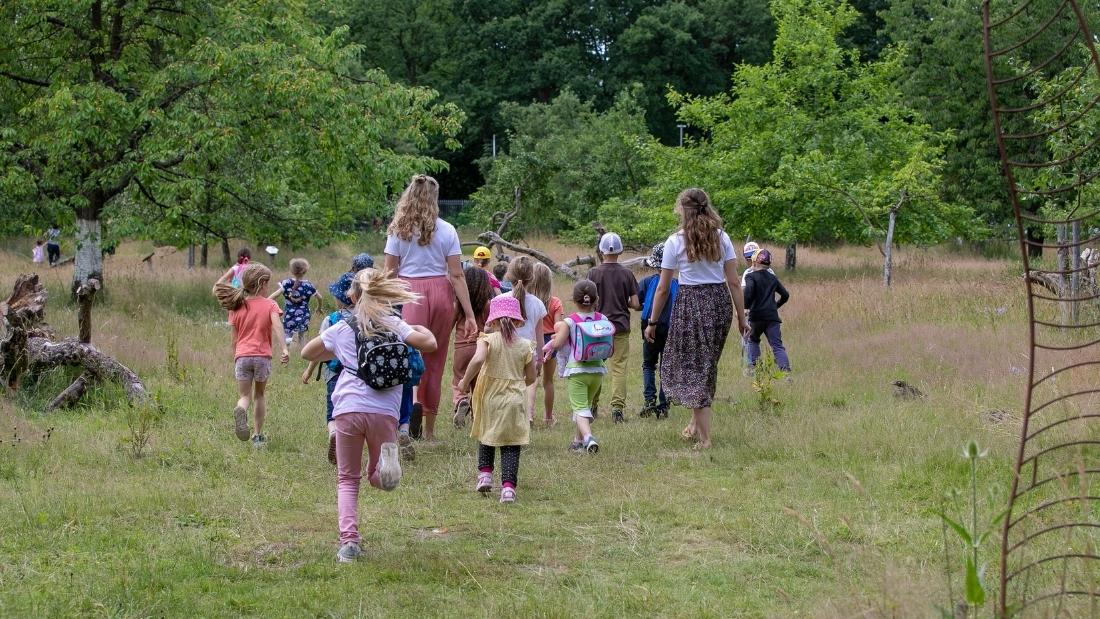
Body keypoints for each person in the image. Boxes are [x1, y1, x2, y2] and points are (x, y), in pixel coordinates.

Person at [301, 268, 438, 563]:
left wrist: (335, 349)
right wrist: (419, 329)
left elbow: (308, 353)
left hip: (348, 409)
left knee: (348, 479)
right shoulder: (395, 323)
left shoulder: (342, 327)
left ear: (353, 294)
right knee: (376, 475)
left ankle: (349, 542)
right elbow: (429, 344)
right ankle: (385, 472)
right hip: (385, 412)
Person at [645, 188, 748, 450]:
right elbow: (734, 282)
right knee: (705, 365)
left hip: (691, 304)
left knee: (695, 367)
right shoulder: (722, 237)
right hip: (719, 304)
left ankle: (705, 439)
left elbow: (663, 288)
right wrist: (740, 316)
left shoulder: (675, 241)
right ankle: (694, 424)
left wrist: (652, 322)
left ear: (682, 209)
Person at [384, 175, 477, 442]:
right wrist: (469, 315)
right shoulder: (448, 229)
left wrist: (381, 304)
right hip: (440, 293)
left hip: (408, 291)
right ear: (434, 198)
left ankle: (410, 404)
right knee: (435, 361)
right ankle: (430, 430)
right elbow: (457, 275)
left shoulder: (398, 230)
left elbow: (389, 272)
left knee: (409, 354)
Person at [458, 295, 537, 503]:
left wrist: (465, 382)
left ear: (492, 321)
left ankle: (485, 476)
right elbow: (531, 377)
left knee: (487, 432)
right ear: (519, 322)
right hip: (515, 399)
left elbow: (478, 359)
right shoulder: (525, 345)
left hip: (490, 396)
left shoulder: (487, 339)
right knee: (512, 442)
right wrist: (518, 383)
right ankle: (508, 488)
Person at [212, 263, 290, 447]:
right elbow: (277, 326)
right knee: (260, 395)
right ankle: (257, 436)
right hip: (262, 357)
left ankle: (240, 409)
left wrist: (236, 356)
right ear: (262, 283)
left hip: (242, 356)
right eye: (268, 283)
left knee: (245, 396)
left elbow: (234, 338)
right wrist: (284, 348)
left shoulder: (237, 306)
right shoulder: (270, 304)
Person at [542, 280, 607, 454]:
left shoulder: (570, 321)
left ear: (574, 300)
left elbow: (558, 342)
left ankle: (588, 438)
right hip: (598, 371)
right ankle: (577, 441)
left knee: (579, 408)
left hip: (577, 370)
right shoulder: (603, 319)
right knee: (585, 406)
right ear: (596, 299)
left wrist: (550, 345)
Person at [587, 232, 640, 423]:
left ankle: (592, 406)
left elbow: (588, 302)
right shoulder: (627, 274)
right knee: (619, 368)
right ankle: (617, 410)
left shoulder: (593, 273)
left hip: (598, 328)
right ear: (620, 251)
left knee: (595, 366)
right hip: (620, 327)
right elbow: (635, 303)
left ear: (601, 250)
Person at [503, 257, 547, 424]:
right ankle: (527, 414)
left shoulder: (500, 300)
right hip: (528, 352)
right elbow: (539, 335)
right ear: (532, 278)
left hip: (506, 351)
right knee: (527, 385)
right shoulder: (537, 304)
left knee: (507, 385)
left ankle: (508, 415)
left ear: (509, 275)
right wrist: (540, 359)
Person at [638, 242, 679, 419]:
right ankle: (663, 405)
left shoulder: (647, 282)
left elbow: (638, 303)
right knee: (666, 366)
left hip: (649, 324)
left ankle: (649, 401)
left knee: (648, 364)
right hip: (672, 327)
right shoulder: (679, 284)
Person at [451, 266, 496, 428]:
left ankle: (461, 400)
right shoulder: (488, 304)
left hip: (461, 348)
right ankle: (477, 419)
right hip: (482, 349)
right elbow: (493, 326)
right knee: (479, 386)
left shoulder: (460, 305)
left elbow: (450, 323)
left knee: (459, 380)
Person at [742, 249, 792, 373]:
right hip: (772, 317)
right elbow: (785, 295)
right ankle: (785, 371)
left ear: (755, 262)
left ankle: (755, 368)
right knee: (777, 345)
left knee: (753, 340)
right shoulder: (772, 278)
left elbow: (748, 293)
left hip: (756, 316)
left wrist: (745, 307)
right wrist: (775, 306)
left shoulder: (750, 276)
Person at [532, 262, 562, 427]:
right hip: (550, 342)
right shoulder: (555, 302)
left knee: (530, 380)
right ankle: (548, 417)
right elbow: (558, 327)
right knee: (548, 381)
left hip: (533, 340)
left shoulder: (528, 301)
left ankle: (528, 414)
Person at [271, 258, 322, 347]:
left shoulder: (286, 283)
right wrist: (319, 307)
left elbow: (273, 296)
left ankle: (287, 351)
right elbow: (320, 297)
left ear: (292, 270)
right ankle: (301, 353)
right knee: (301, 336)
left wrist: (264, 303)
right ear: (305, 271)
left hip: (289, 314)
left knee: (288, 334)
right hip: (304, 314)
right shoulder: (308, 285)